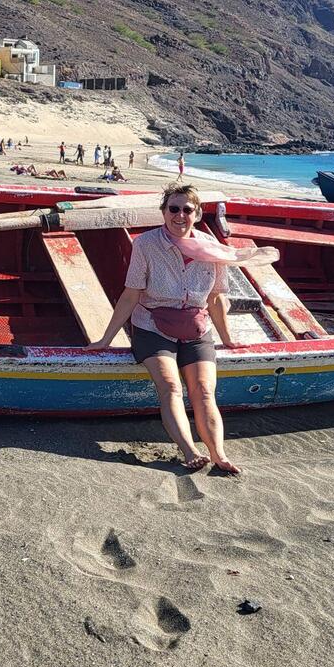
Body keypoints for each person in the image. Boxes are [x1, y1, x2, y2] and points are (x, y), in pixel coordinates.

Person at [87, 183, 279, 474]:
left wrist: (227, 340)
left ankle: (219, 454)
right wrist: (105, 340)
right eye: (173, 209)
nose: (180, 215)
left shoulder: (213, 250)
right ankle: (190, 451)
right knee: (171, 387)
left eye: (187, 209)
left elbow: (214, 299)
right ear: (163, 213)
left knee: (203, 391)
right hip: (152, 327)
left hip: (196, 328)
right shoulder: (146, 245)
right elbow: (130, 295)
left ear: (198, 214)